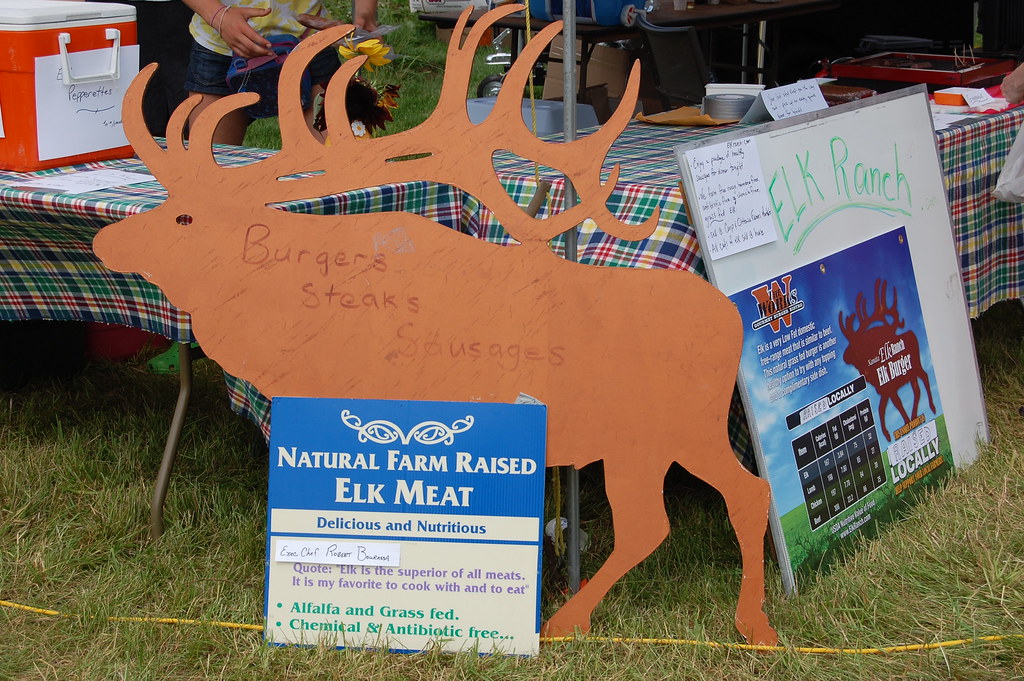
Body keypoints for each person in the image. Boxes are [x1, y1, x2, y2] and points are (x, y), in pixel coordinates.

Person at [181, 0, 379, 144]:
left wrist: (365, 12)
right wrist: (218, 15)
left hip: (310, 40)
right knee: (206, 171)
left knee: (337, 167)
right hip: (221, 43)